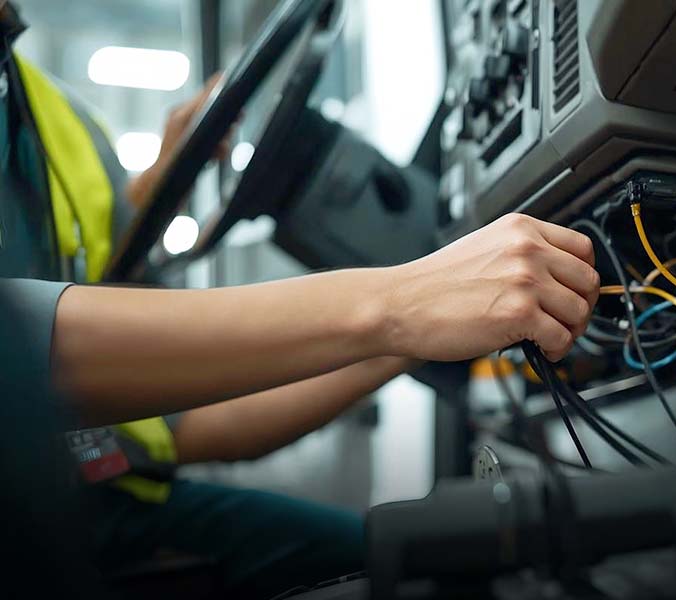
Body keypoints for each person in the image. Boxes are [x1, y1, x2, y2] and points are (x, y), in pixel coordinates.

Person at [0, 2, 599, 597]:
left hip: (105, 488)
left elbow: (188, 418)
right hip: (49, 520)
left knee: (421, 562)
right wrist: (400, 304)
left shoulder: (48, 113)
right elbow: (24, 353)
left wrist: (425, 331)